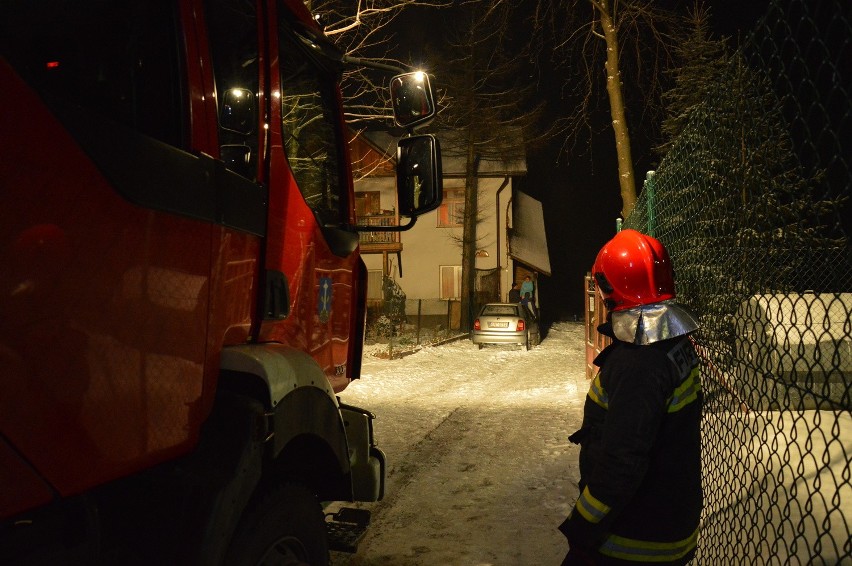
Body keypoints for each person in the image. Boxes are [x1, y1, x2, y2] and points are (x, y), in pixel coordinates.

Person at [559, 229, 703, 566]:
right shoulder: (673, 343)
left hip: (633, 539)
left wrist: (582, 528)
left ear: (611, 289)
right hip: (668, 522)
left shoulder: (639, 362)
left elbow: (622, 462)